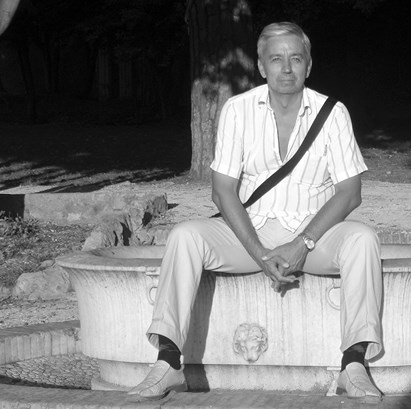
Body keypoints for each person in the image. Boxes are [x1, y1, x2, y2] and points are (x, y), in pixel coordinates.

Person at [127, 21, 383, 400]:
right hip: (251, 232)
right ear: (261, 66)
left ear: (309, 65)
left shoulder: (333, 113)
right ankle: (168, 363)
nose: (286, 68)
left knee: (362, 239)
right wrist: (259, 252)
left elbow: (349, 193)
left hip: (312, 236)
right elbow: (222, 191)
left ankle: (353, 365)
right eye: (276, 59)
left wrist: (302, 243)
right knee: (185, 236)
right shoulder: (237, 109)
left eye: (296, 58)